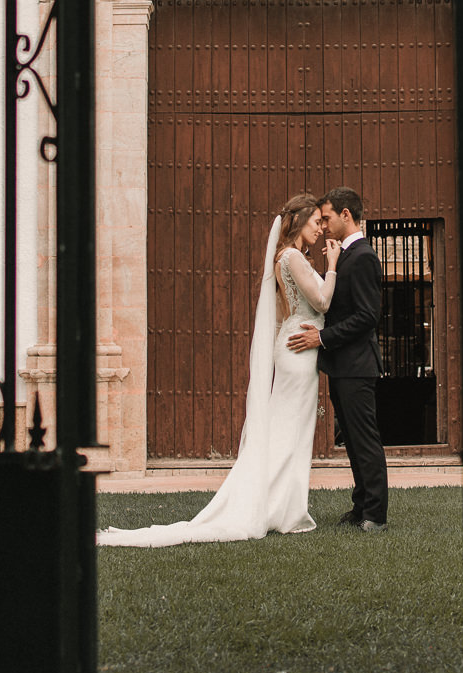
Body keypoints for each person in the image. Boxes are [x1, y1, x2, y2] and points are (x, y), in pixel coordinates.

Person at [97, 193, 339, 547]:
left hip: (292, 346)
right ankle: (281, 508)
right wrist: (332, 265)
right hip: (299, 352)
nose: (320, 227)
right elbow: (321, 301)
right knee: (290, 430)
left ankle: (282, 505)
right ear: (299, 221)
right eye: (316, 221)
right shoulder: (292, 257)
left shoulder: (285, 259)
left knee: (288, 428)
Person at [286, 187, 387, 532]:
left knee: (365, 440)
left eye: (327, 217)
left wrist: (322, 337)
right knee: (353, 442)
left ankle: (376, 514)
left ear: (346, 215)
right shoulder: (345, 255)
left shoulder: (363, 256)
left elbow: (367, 317)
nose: (324, 225)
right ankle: (360, 507)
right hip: (343, 366)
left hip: (358, 366)